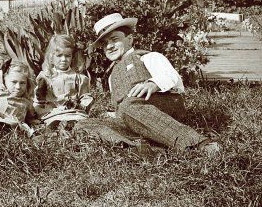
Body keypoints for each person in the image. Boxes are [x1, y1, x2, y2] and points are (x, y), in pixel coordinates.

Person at [89, 12, 220, 155]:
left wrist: (152, 84)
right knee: (85, 124)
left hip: (164, 106)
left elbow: (173, 78)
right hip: (132, 116)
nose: (109, 46)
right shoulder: (111, 76)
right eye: (105, 44)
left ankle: (198, 143)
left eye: (114, 39)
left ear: (129, 39)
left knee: (128, 108)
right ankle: (145, 147)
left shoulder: (147, 57)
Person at [33, 34, 93, 127]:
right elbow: (39, 100)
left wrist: (83, 104)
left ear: (72, 57)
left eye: (67, 56)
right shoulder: (46, 77)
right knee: (55, 123)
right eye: (59, 55)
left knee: (81, 122)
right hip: (53, 113)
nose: (63, 59)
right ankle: (59, 128)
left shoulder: (78, 78)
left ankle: (72, 127)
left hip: (74, 112)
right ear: (51, 57)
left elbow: (85, 96)